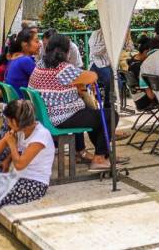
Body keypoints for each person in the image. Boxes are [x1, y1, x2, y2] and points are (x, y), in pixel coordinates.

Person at [28, 34, 111, 172]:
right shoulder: (63, 69)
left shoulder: (39, 66)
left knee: (95, 116)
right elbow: (92, 76)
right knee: (109, 115)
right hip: (62, 118)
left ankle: (102, 153)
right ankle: (100, 158)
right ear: (67, 51)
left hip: (47, 116)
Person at [0, 100, 54, 208]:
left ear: (15, 121)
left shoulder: (41, 136)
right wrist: (7, 161)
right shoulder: (20, 129)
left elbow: (20, 165)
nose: (7, 123)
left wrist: (12, 143)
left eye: (8, 120)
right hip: (16, 178)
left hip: (34, 184)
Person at [5, 29, 41, 98]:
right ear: (25, 45)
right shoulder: (25, 60)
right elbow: (41, 82)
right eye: (36, 41)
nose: (40, 44)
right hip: (23, 105)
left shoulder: (15, 58)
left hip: (15, 103)